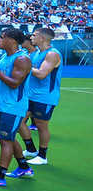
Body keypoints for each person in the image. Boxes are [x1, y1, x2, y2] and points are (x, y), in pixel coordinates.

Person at [0, 28, 33, 187]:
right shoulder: (4, 57)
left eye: (1, 37)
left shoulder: (22, 59)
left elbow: (14, 84)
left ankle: (0, 176)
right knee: (8, 138)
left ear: (12, 40)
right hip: (2, 105)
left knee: (5, 140)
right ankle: (24, 167)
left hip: (13, 107)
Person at [19, 27, 62, 167]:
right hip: (31, 95)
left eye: (34, 35)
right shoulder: (37, 53)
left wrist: (23, 67)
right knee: (19, 121)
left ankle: (43, 156)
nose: (31, 37)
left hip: (45, 96)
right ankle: (31, 149)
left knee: (41, 125)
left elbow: (42, 73)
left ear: (42, 38)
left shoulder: (52, 54)